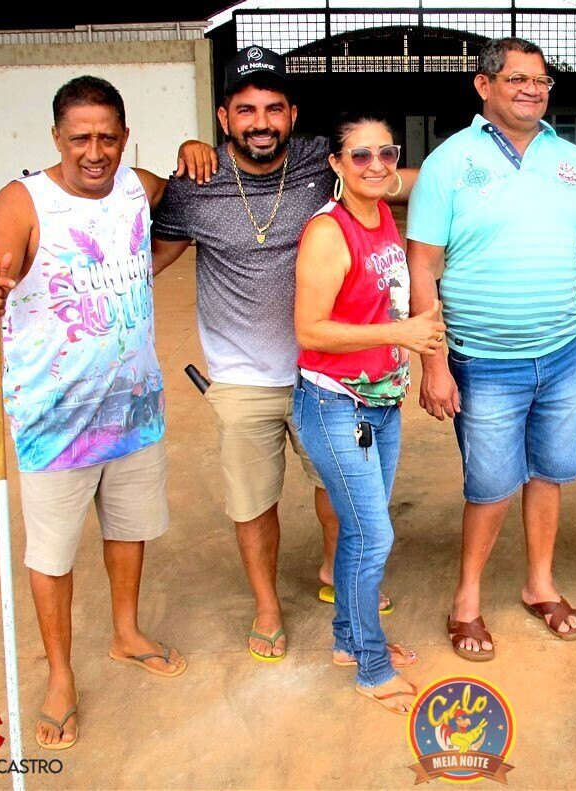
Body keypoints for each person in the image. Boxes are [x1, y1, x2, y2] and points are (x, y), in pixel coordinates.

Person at [153, 47, 412, 662]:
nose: (260, 121)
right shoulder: (197, 186)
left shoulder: (322, 166)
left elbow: (394, 177)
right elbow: (145, 262)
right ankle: (267, 606)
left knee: (337, 486)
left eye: (273, 108)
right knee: (254, 498)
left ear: (294, 115)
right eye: (246, 110)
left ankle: (333, 572)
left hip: (323, 375)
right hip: (243, 377)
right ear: (223, 117)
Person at [0, 76, 186, 751]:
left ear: (124, 136)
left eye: (107, 138)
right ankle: (60, 674)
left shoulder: (135, 185)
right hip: (54, 418)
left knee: (128, 528)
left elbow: (171, 190)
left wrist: (196, 148)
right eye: (80, 138)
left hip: (133, 403)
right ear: (57, 138)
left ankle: (126, 631)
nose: (95, 151)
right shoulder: (22, 201)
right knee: (53, 553)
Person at [406, 37, 576, 661]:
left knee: (550, 474)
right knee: (491, 485)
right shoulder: (451, 162)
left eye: (542, 80)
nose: (533, 89)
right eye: (518, 79)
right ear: (484, 85)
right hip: (483, 359)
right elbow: (423, 267)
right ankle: (467, 600)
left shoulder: (573, 162)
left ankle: (539, 585)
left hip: (559, 352)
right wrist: (434, 362)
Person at [293, 113, 445, 712]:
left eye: (387, 153)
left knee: (363, 530)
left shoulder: (381, 213)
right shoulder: (328, 232)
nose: (377, 165)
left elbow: (431, 177)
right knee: (372, 535)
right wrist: (401, 330)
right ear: (335, 165)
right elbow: (310, 328)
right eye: (360, 156)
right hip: (337, 405)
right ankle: (372, 667)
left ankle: (350, 641)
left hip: (380, 403)